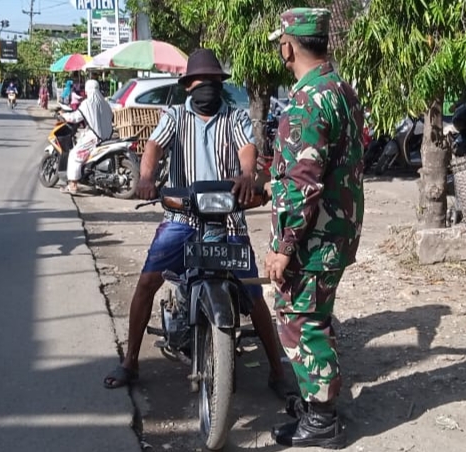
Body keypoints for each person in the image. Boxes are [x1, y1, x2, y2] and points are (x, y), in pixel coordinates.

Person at [102, 48, 288, 399]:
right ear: (188, 85)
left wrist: (247, 175)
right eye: (202, 82)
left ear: (220, 84)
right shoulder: (174, 116)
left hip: (228, 219)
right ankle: (130, 361)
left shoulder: (234, 117)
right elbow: (155, 146)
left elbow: (247, 149)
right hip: (182, 215)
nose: (209, 87)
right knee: (147, 282)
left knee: (253, 293)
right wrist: (146, 176)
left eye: (214, 82)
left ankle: (278, 371)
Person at [266, 8, 364, 448]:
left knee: (301, 320)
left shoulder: (306, 101)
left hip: (313, 236)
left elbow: (303, 184)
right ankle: (314, 405)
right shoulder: (342, 90)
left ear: (288, 46)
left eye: (280, 45)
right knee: (315, 315)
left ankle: (322, 420)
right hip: (338, 230)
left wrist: (284, 247)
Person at [59, 79, 113, 194]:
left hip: (94, 136)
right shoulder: (105, 104)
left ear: (88, 90)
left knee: (74, 154)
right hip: (107, 137)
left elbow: (76, 118)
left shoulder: (88, 103)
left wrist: (64, 116)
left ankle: (72, 184)